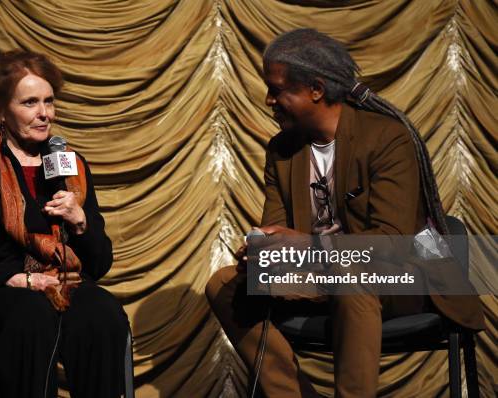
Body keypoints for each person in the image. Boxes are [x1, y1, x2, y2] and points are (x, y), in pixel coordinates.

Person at [205, 29, 485, 397]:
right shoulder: (283, 150)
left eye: (276, 89)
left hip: (403, 275)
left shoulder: (388, 138)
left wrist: (306, 245)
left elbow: (392, 243)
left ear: (316, 89)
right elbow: (280, 228)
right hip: (324, 273)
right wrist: (264, 249)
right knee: (224, 285)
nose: (268, 99)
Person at [0, 50, 128, 398]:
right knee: (33, 313)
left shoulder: (71, 166)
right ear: (0, 109)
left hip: (57, 284)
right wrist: (20, 279)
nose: (44, 113)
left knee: (103, 311)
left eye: (49, 101)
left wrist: (81, 222)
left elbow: (98, 266)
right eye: (29, 103)